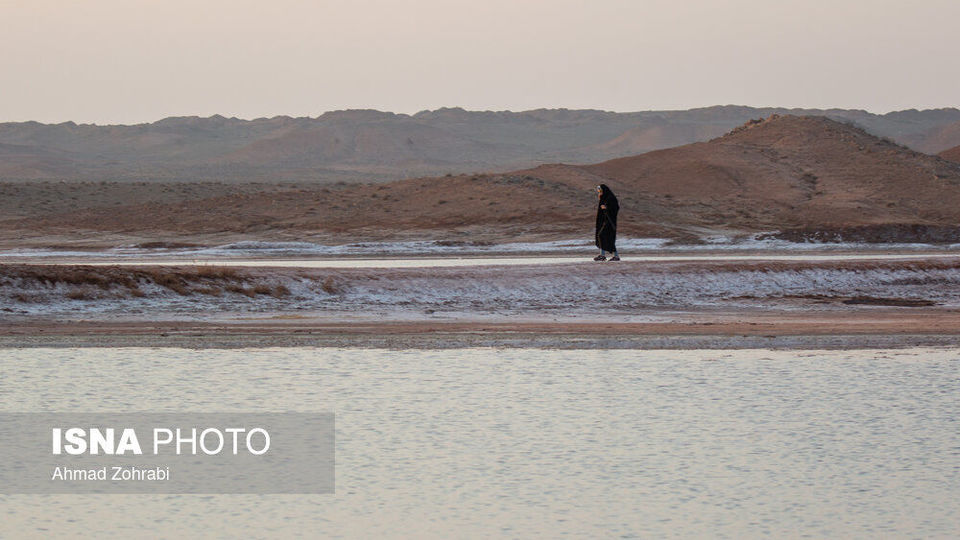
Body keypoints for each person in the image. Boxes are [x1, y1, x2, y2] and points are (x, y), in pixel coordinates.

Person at [594, 184, 620, 261]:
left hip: (610, 222)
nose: (599, 192)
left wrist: (607, 208)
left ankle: (615, 256)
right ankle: (603, 255)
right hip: (604, 221)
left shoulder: (611, 198)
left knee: (607, 238)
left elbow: (615, 208)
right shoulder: (603, 198)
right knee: (602, 237)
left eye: (600, 190)